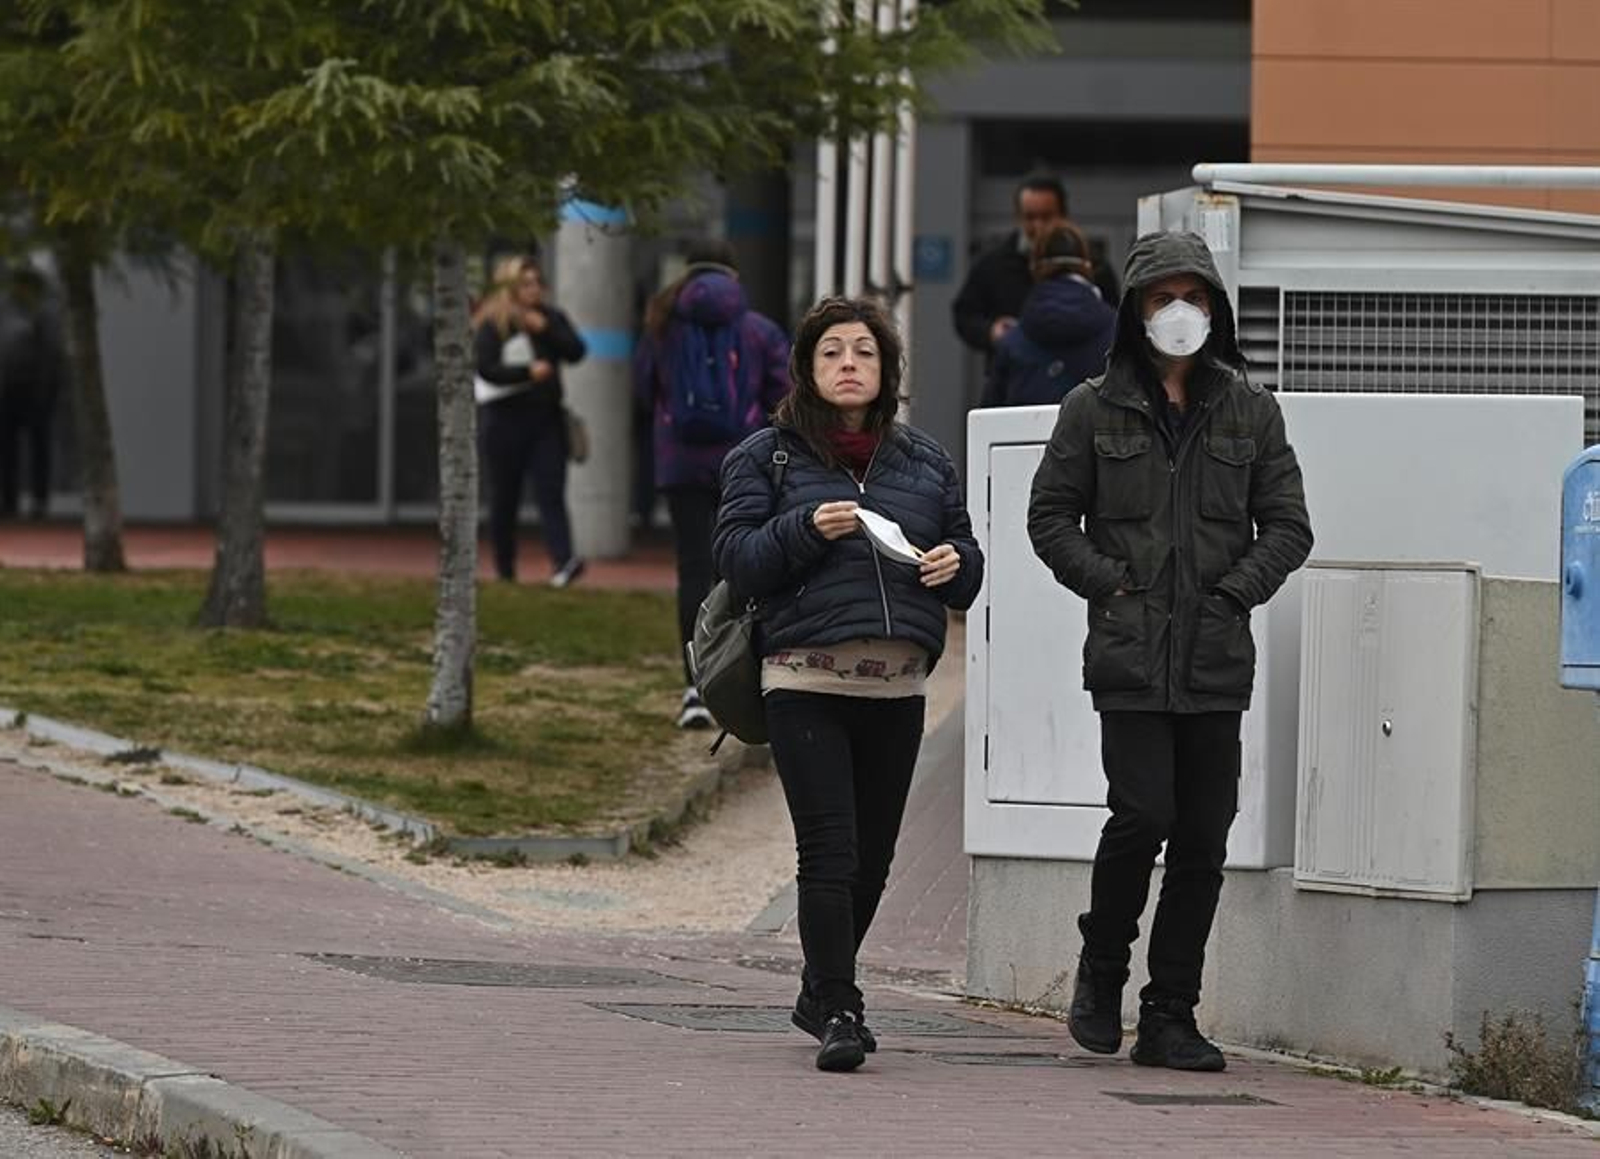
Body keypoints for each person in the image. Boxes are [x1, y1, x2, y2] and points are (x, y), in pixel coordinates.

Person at [1026, 231, 1312, 1073]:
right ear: (1135, 309)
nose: (1179, 311)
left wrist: (1232, 593)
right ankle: (1101, 966)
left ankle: (1170, 1013)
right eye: (1161, 297)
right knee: (1141, 813)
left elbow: (1289, 525)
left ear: (1215, 310)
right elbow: (1050, 515)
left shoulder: (1250, 409)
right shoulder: (1092, 406)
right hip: (1129, 653)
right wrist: (1112, 583)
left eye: (1194, 296)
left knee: (1202, 835)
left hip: (1216, 659)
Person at [713, 296, 984, 1072]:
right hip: (802, 677)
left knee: (872, 858)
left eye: (863, 352)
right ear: (807, 367)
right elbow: (736, 559)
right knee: (828, 851)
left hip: (895, 686)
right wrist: (805, 528)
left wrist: (955, 566)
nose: (848, 365)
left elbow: (966, 560)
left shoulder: (924, 461)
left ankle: (817, 987)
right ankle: (838, 1003)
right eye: (831, 352)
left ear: (886, 369)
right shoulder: (765, 456)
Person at [634, 240, 791, 729]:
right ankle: (737, 678)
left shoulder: (662, 325)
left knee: (692, 568)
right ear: (734, 275)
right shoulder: (758, 329)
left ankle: (693, 688)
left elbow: (642, 390)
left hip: (681, 465)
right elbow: (783, 395)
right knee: (740, 568)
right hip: (743, 464)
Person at [472, 255, 587, 586]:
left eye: (538, 282)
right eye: (526, 284)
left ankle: (563, 561)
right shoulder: (494, 323)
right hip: (505, 418)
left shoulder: (549, 318)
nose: (534, 290)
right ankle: (505, 567)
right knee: (505, 495)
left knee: (551, 487)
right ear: (510, 288)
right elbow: (486, 368)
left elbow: (576, 351)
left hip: (545, 418)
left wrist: (547, 329)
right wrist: (526, 373)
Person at [952, 170, 1119, 364]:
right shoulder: (992, 264)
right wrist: (991, 331)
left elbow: (1114, 320)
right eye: (1030, 217)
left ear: (1063, 215)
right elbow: (965, 314)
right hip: (1013, 379)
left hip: (1074, 377)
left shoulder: (1092, 265)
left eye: (1046, 217)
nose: (1038, 226)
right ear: (1018, 217)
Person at [981, 223, 1116, 409]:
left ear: (1034, 268)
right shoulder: (1118, 334)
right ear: (1087, 266)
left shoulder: (1012, 341)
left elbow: (988, 417)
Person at [0, 268, 64, 521]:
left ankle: (39, 500)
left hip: (36, 389)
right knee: (7, 448)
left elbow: (50, 353)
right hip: (7, 389)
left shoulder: (43, 312)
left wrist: (45, 390)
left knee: (39, 446)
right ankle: (9, 500)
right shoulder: (5, 309)